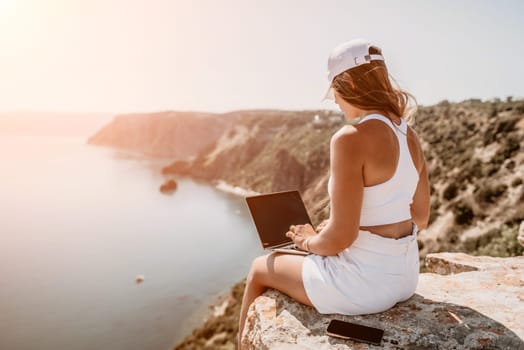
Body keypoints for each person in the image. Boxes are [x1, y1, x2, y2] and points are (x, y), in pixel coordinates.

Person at [237, 38, 430, 347]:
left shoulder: (350, 137)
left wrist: (307, 240)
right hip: (405, 278)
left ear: (349, 82)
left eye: (334, 90)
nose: (335, 101)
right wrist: (364, 227)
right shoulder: (410, 135)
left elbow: (340, 240)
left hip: (363, 288)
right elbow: (421, 216)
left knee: (261, 266)